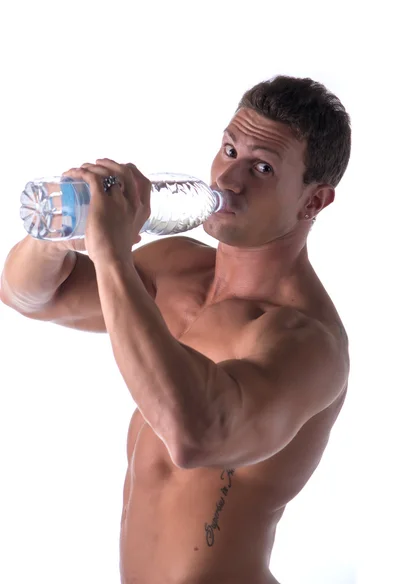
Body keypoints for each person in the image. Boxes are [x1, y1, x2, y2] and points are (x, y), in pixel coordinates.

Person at [0, 75, 351, 584]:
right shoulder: (175, 270)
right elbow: (28, 295)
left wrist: (112, 253)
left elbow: (195, 436)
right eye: (229, 149)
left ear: (313, 201)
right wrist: (63, 228)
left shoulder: (305, 341)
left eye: (262, 167)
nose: (229, 178)